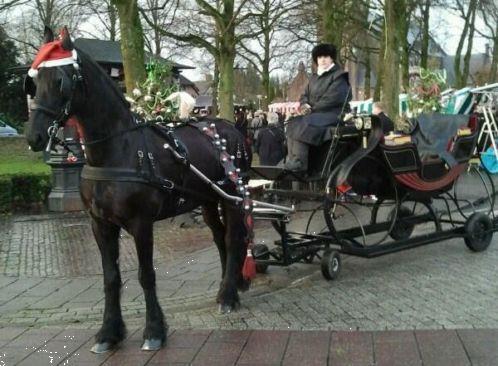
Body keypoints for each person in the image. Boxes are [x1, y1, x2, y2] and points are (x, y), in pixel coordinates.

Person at [284, 43, 352, 172]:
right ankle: (291, 159)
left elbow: (332, 99)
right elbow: (304, 96)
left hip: (333, 114)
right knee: (293, 121)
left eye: (326, 56)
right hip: (315, 114)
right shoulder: (313, 78)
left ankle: (300, 162)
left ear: (332, 58)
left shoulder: (339, 76)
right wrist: (304, 105)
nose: (322, 60)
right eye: (320, 57)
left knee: (304, 122)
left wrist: (311, 108)